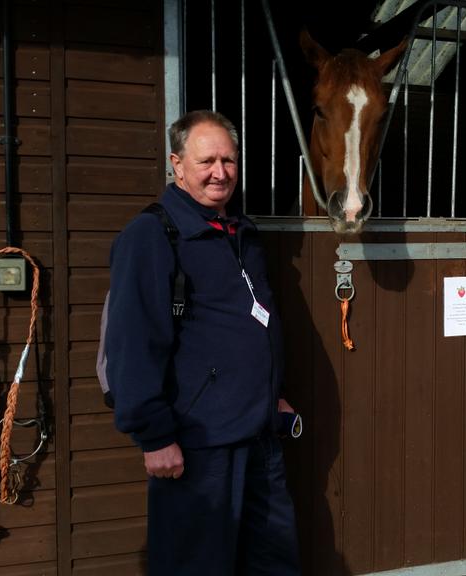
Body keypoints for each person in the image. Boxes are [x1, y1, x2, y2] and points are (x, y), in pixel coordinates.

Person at [106, 110, 300, 575]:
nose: (220, 172)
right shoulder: (152, 236)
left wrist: (270, 394)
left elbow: (244, 327)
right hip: (198, 446)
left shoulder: (240, 233)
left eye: (229, 161)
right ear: (176, 164)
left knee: (273, 563)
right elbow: (132, 344)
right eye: (207, 161)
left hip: (258, 437)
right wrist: (154, 436)